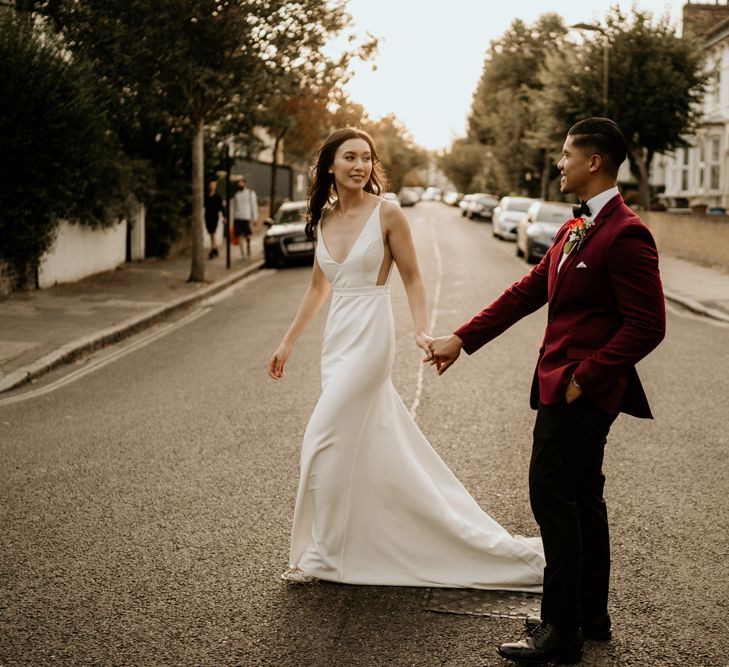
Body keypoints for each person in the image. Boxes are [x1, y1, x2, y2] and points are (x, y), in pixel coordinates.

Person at [428, 118, 666, 666]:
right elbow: (526, 291)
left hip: (581, 389)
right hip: (563, 383)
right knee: (582, 498)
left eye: (566, 154)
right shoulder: (572, 226)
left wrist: (587, 377)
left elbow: (648, 324)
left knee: (551, 495)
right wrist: (462, 339)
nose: (558, 162)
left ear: (594, 162)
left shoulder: (626, 233)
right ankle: (589, 615)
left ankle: (561, 631)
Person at [267, 127, 545, 590]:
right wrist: (288, 341)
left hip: (372, 338)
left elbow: (413, 278)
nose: (359, 165)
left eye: (366, 158)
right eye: (350, 157)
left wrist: (420, 328)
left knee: (321, 437)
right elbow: (318, 288)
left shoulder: (389, 214)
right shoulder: (323, 218)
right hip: (336, 342)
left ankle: (318, 551)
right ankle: (341, 549)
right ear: (330, 167)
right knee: (360, 447)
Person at [230, 176, 258, 258]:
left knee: (247, 235)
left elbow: (254, 206)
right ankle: (242, 252)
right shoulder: (236, 195)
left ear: (245, 183)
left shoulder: (250, 193)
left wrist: (255, 218)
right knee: (238, 235)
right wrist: (231, 220)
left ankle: (248, 246)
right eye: (239, 183)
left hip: (246, 217)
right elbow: (233, 207)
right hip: (237, 217)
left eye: (242, 182)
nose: (240, 184)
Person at [204, 178, 225, 259]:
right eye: (211, 185)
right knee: (210, 233)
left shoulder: (218, 197)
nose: (212, 186)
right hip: (207, 216)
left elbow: (221, 208)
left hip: (214, 217)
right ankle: (215, 249)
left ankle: (213, 250)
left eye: (213, 185)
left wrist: (224, 216)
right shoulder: (206, 196)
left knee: (212, 233)